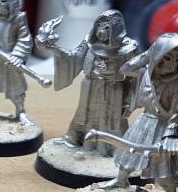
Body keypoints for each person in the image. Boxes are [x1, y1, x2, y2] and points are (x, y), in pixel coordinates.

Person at [98, 33, 178, 192]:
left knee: (165, 170)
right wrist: (149, 54)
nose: (173, 65)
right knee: (129, 155)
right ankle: (120, 180)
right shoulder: (146, 73)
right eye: (167, 58)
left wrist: (171, 136)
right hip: (144, 122)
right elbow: (125, 68)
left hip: (164, 128)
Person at [38, 10, 138, 153]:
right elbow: (74, 58)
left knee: (110, 119)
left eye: (107, 27)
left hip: (113, 90)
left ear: (116, 29)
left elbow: (135, 77)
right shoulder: (89, 43)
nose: (101, 31)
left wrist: (129, 102)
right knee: (84, 115)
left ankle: (109, 147)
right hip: (90, 87)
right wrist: (55, 49)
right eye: (99, 26)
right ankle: (77, 140)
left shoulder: (128, 48)